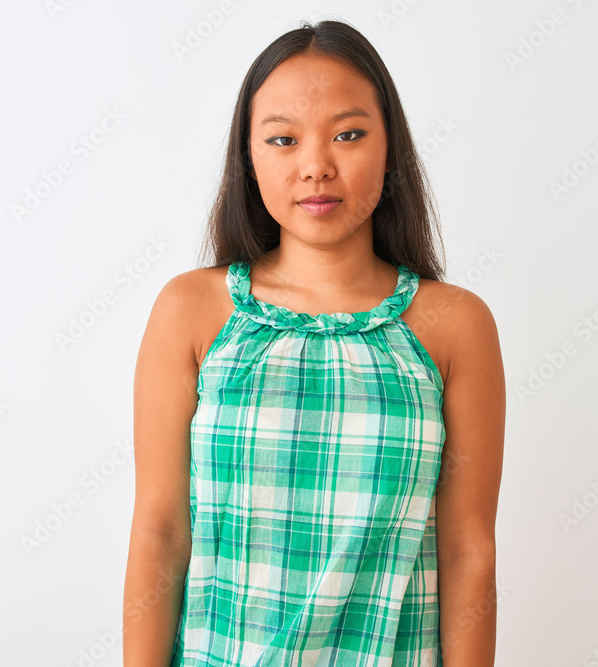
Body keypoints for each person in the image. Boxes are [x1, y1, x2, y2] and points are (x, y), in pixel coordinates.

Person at [123, 18, 505, 666]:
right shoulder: (191, 311)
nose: (316, 167)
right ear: (249, 158)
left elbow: (468, 550)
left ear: (391, 147)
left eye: (349, 134)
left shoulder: (454, 325)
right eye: (283, 139)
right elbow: (160, 533)